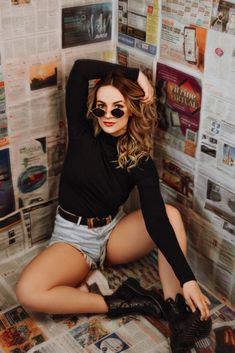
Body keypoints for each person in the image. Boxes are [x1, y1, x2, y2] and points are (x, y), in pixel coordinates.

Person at [16, 60, 212, 353]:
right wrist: (136, 76)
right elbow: (81, 69)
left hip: (112, 235)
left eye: (117, 108)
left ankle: (174, 309)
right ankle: (123, 301)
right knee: (28, 292)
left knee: (170, 215)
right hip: (74, 240)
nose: (108, 115)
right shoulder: (82, 134)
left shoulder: (140, 162)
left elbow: (156, 221)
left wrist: (188, 279)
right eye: (101, 107)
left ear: (132, 109)